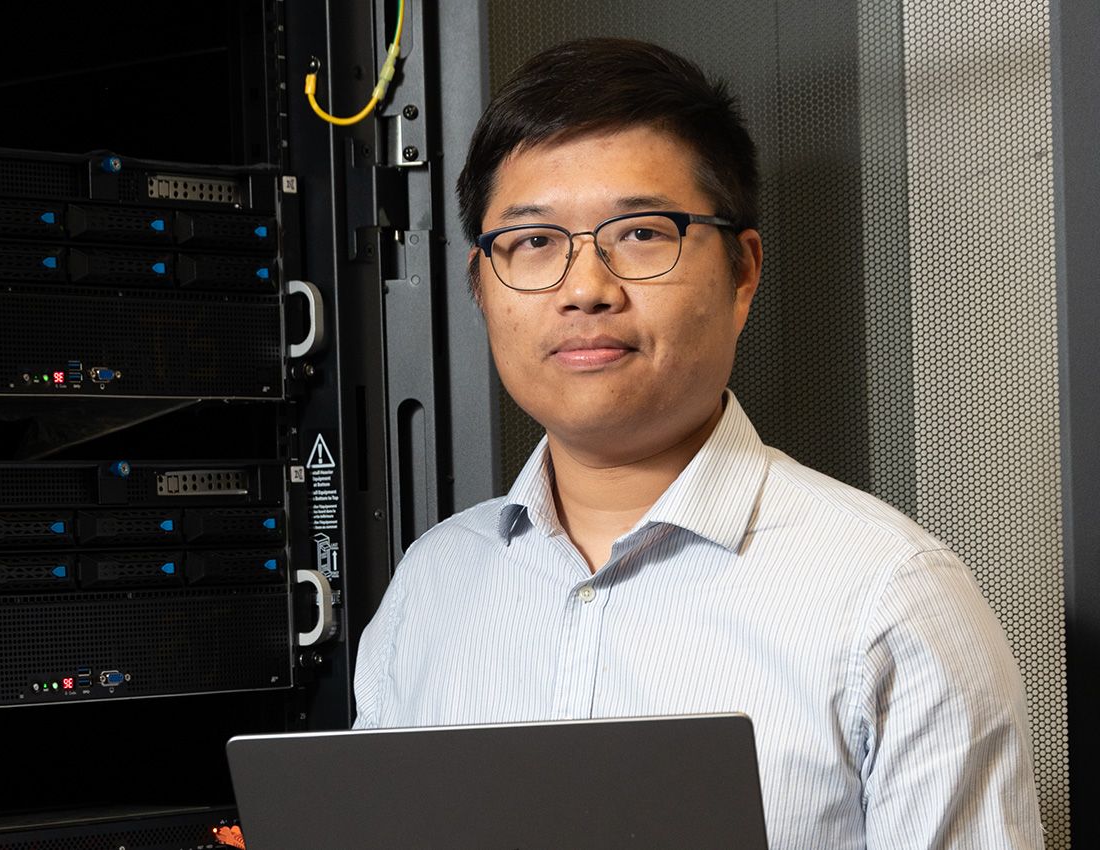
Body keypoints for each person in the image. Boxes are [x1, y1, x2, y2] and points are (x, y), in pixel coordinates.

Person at [353, 37, 1043, 849]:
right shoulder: (430, 589)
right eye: (533, 242)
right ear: (481, 284)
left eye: (642, 233)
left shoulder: (889, 603)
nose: (585, 289)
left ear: (743, 272)